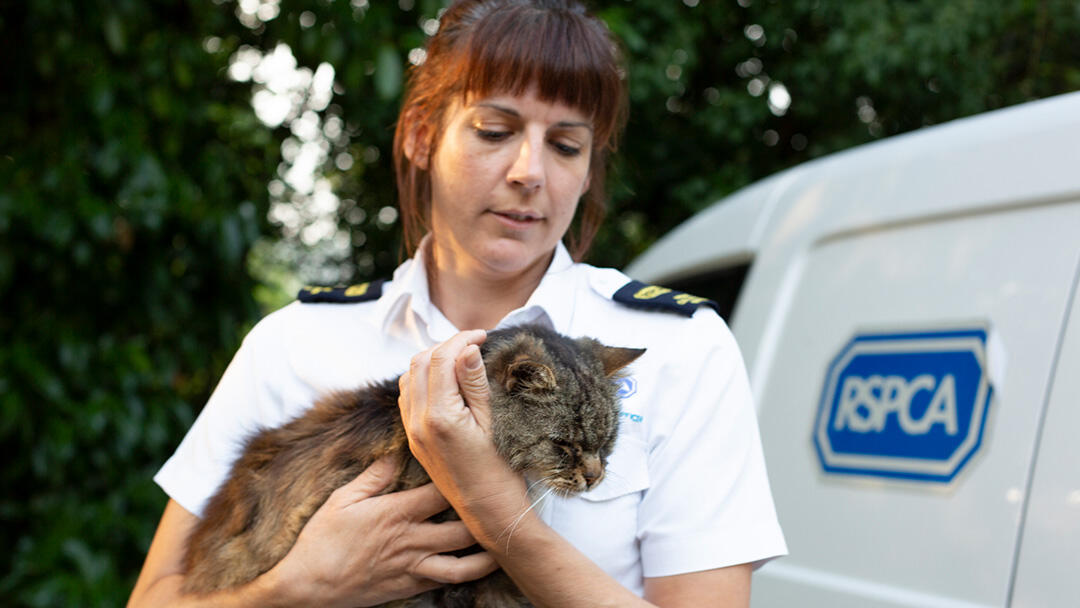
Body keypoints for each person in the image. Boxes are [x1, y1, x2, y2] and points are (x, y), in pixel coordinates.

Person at [127, 0, 787, 606]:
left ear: (588, 169)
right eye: (494, 131)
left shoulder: (680, 348)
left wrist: (499, 516)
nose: (529, 171)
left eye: (565, 145)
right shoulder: (296, 341)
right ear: (420, 134)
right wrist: (299, 586)